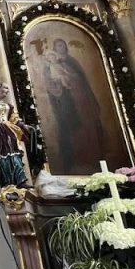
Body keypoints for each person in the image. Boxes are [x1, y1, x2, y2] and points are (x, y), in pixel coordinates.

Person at [41, 38, 104, 174]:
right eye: (58, 46)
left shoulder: (72, 62)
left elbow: (81, 79)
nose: (61, 48)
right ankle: (78, 161)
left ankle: (95, 160)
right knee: (74, 130)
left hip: (82, 100)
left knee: (89, 128)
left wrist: (70, 78)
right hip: (67, 103)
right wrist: (60, 83)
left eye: (63, 45)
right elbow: (51, 85)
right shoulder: (50, 67)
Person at [0, 83, 37, 187]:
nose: (7, 90)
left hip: (9, 130)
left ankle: (21, 181)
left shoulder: (8, 105)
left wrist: (25, 126)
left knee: (15, 154)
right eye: (5, 88)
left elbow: (14, 119)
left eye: (7, 89)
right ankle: (7, 184)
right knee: (2, 156)